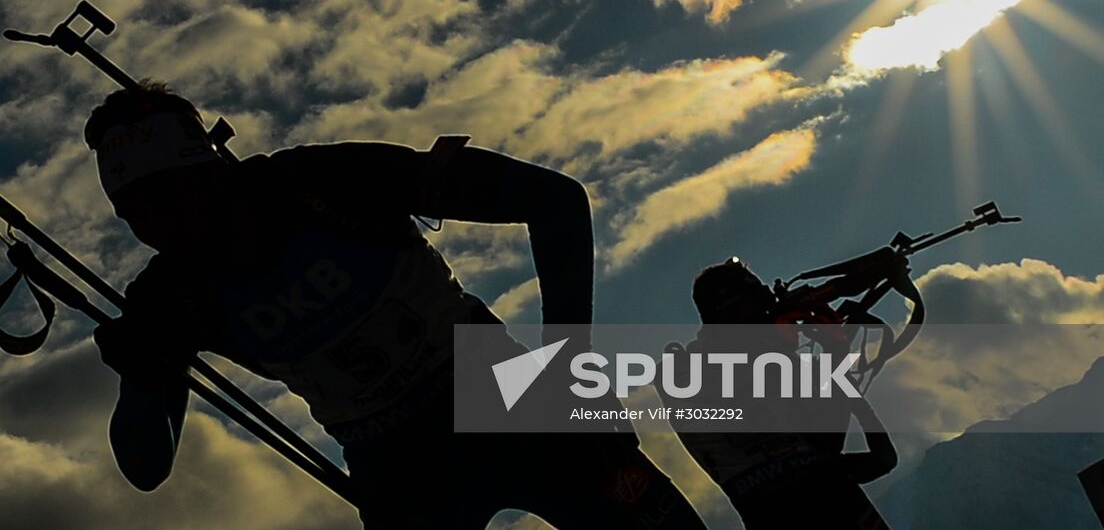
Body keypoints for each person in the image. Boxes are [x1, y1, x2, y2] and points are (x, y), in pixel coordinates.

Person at [86, 81, 706, 528]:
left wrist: (569, 358)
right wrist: (141, 376)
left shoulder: (321, 181)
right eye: (137, 214)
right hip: (395, 460)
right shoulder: (169, 297)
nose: (164, 225)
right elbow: (146, 468)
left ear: (213, 171)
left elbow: (554, 200)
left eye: (174, 197)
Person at [664, 258, 900, 530]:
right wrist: (776, 351)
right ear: (726, 313)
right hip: (781, 513)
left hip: (841, 502)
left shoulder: (770, 358)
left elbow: (827, 440)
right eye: (757, 307)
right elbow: (746, 421)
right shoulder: (680, 370)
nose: (766, 316)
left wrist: (836, 357)